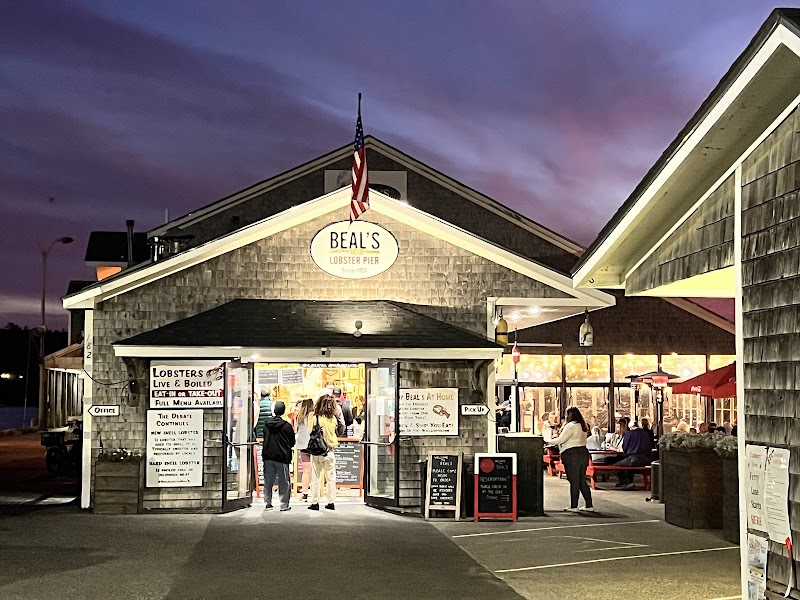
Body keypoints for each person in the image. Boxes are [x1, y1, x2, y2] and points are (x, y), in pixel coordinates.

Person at [548, 406, 593, 512]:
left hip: (572, 455)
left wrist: (547, 442)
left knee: (574, 480)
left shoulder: (571, 426)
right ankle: (589, 504)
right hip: (583, 453)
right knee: (581, 479)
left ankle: (574, 506)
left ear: (569, 415)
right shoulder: (583, 425)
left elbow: (561, 440)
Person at [262, 401, 295, 511]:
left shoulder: (266, 425)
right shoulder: (287, 426)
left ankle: (268, 503)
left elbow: (264, 438)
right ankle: (284, 504)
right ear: (284, 411)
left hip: (268, 456)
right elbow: (292, 442)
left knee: (268, 481)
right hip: (282, 456)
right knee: (284, 481)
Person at [308, 394, 339, 511]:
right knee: (330, 478)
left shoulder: (314, 417)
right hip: (329, 451)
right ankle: (331, 502)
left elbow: (309, 431)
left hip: (317, 452)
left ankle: (315, 502)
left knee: (316, 477)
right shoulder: (333, 419)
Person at [615, 420, 653, 490]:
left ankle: (626, 481)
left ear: (630, 427)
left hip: (633, 458)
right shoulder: (645, 433)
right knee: (628, 465)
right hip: (645, 459)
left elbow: (625, 447)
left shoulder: (629, 434)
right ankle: (627, 482)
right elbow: (650, 446)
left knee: (616, 466)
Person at [294, 398, 314, 501]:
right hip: (314, 445)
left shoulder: (299, 417)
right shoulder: (314, 416)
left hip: (302, 445)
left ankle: (305, 492)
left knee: (306, 470)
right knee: (315, 470)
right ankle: (315, 492)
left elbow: (295, 430)